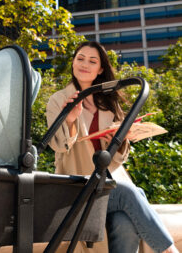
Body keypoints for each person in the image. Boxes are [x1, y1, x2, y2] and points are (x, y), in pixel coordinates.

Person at [46, 41, 179, 253]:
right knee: (130, 193)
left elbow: (117, 159)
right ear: (72, 63)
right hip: (79, 186)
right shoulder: (59, 99)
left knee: (124, 223)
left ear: (100, 70)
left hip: (110, 182)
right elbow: (59, 146)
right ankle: (169, 250)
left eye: (92, 61)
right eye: (80, 58)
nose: (84, 64)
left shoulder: (109, 102)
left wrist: (122, 138)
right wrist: (70, 120)